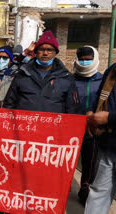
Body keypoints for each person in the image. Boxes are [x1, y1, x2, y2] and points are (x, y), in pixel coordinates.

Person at [3, 30, 81, 114]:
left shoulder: (66, 77)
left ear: (55, 53)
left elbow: (73, 109)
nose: (45, 53)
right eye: (42, 49)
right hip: (25, 125)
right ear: (36, 52)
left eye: (50, 50)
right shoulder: (22, 74)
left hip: (54, 126)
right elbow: (9, 104)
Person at [72, 46, 103, 205]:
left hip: (92, 130)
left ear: (95, 58)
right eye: (82, 58)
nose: (85, 61)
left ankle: (85, 191)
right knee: (67, 162)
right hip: (71, 128)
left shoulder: (103, 81)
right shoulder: (70, 80)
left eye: (88, 58)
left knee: (90, 163)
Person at [84, 61, 116, 214]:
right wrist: (91, 112)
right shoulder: (112, 70)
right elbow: (100, 97)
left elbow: (109, 115)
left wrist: (110, 118)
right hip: (108, 144)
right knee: (99, 191)